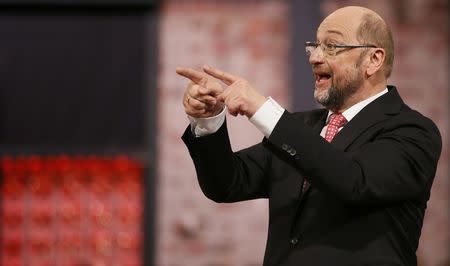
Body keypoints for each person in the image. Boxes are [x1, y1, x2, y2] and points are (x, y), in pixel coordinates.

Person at [176, 6, 442, 266]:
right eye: (314, 46)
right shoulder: (302, 127)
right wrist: (208, 120)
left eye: (332, 47)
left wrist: (262, 109)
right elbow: (228, 183)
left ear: (373, 59)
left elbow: (354, 182)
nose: (314, 57)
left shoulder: (413, 132)